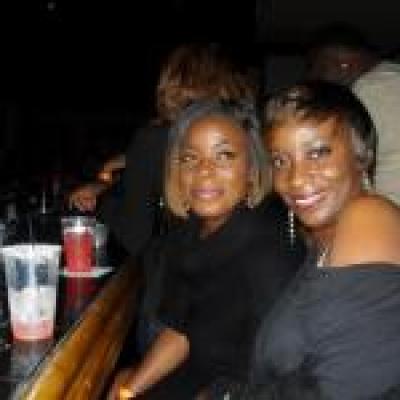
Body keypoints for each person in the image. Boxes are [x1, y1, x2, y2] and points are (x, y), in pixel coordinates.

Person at [107, 100, 301, 399]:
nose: (204, 171)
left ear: (252, 170)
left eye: (224, 156)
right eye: (190, 158)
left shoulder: (267, 251)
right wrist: (129, 390)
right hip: (196, 378)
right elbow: (181, 330)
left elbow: (285, 374)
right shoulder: (190, 233)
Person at [242, 81, 400, 399]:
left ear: (362, 156)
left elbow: (345, 389)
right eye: (280, 161)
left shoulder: (369, 217)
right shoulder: (321, 241)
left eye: (317, 153)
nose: (295, 179)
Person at [68, 44, 257, 257]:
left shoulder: (154, 139)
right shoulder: (246, 134)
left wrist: (102, 202)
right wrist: (112, 181)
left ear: (172, 83)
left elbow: (135, 238)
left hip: (187, 267)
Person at [307, 24, 400, 204]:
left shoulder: (366, 91)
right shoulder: (394, 76)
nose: (314, 77)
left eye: (319, 68)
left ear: (344, 65)